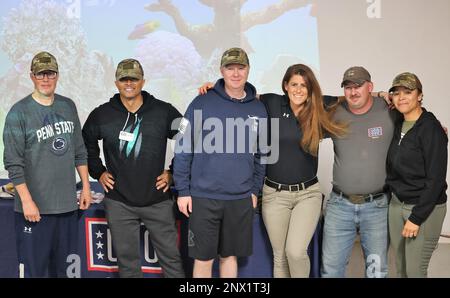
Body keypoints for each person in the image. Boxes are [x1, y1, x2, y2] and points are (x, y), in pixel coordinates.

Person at [82, 58, 185, 278]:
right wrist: (98, 172)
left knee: (172, 262)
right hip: (119, 203)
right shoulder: (101, 114)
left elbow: (190, 136)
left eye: (134, 79)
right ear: (116, 82)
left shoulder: (164, 111)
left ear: (143, 81)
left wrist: (173, 172)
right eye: (124, 79)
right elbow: (85, 143)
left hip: (157, 201)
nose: (129, 83)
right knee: (127, 266)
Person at [173, 47, 267, 278]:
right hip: (204, 198)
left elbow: (262, 154)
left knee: (229, 257)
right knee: (203, 259)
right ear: (221, 70)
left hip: (239, 198)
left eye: (241, 67)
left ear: (248, 70)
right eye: (230, 68)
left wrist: (254, 190)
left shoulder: (258, 108)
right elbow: (183, 146)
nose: (236, 73)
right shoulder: (201, 102)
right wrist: (183, 190)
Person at [3, 51, 92, 277]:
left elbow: (79, 151)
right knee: (34, 272)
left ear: (57, 75)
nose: (45, 79)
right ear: (32, 76)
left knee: (65, 272)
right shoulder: (18, 112)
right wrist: (27, 201)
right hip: (34, 211)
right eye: (40, 74)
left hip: (67, 208)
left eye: (50, 73)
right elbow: (13, 163)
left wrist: (86, 187)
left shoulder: (68, 106)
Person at [321, 66, 394, 278]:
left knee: (376, 271)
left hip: (377, 207)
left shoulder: (388, 109)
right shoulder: (334, 113)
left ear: (370, 87)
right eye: (348, 87)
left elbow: (414, 116)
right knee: (331, 270)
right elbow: (305, 119)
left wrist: (434, 128)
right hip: (339, 207)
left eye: (358, 86)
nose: (353, 92)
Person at [386, 72, 447, 277]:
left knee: (415, 271)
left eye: (408, 92)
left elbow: (436, 180)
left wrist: (416, 217)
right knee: (401, 267)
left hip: (423, 208)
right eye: (396, 93)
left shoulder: (431, 129)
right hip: (397, 204)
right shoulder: (397, 122)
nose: (401, 97)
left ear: (420, 95)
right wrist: (381, 94)